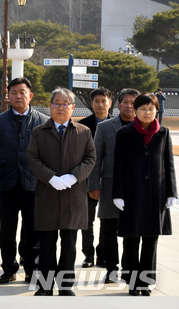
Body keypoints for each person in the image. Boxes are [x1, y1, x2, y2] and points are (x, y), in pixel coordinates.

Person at [28, 87, 96, 296]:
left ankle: (65, 285)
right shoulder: (39, 132)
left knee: (69, 246)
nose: (60, 107)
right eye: (56, 103)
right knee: (46, 245)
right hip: (47, 194)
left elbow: (90, 158)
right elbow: (33, 158)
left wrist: (73, 176)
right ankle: (45, 286)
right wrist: (51, 178)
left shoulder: (84, 132)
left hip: (73, 196)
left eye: (65, 103)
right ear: (50, 106)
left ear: (72, 107)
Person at [112, 93, 176, 296]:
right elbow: (118, 166)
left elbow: (169, 165)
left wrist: (172, 192)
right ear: (135, 111)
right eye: (143, 109)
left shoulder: (164, 133)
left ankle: (145, 282)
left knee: (151, 240)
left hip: (156, 195)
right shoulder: (124, 134)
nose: (147, 112)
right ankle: (132, 282)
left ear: (157, 110)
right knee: (131, 239)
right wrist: (117, 193)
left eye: (151, 108)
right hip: (131, 194)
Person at [0, 77, 48, 284]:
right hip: (8, 183)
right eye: (13, 92)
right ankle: (8, 268)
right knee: (7, 231)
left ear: (30, 95)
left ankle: (32, 269)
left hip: (34, 184)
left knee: (33, 231)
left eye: (22, 92)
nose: (18, 96)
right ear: (8, 96)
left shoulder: (42, 121)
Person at [89, 88, 139, 283]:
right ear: (118, 105)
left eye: (133, 102)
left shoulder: (143, 127)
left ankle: (129, 269)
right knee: (108, 230)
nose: (129, 106)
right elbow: (95, 159)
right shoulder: (105, 127)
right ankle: (111, 269)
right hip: (109, 186)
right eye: (125, 102)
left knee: (131, 231)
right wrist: (93, 185)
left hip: (135, 189)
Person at [77, 87, 112, 269]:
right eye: (96, 101)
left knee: (106, 221)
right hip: (87, 180)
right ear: (92, 104)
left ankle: (103, 253)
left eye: (103, 101)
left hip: (109, 180)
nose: (100, 104)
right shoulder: (82, 126)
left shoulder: (116, 125)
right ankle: (88, 254)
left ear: (110, 103)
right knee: (87, 221)